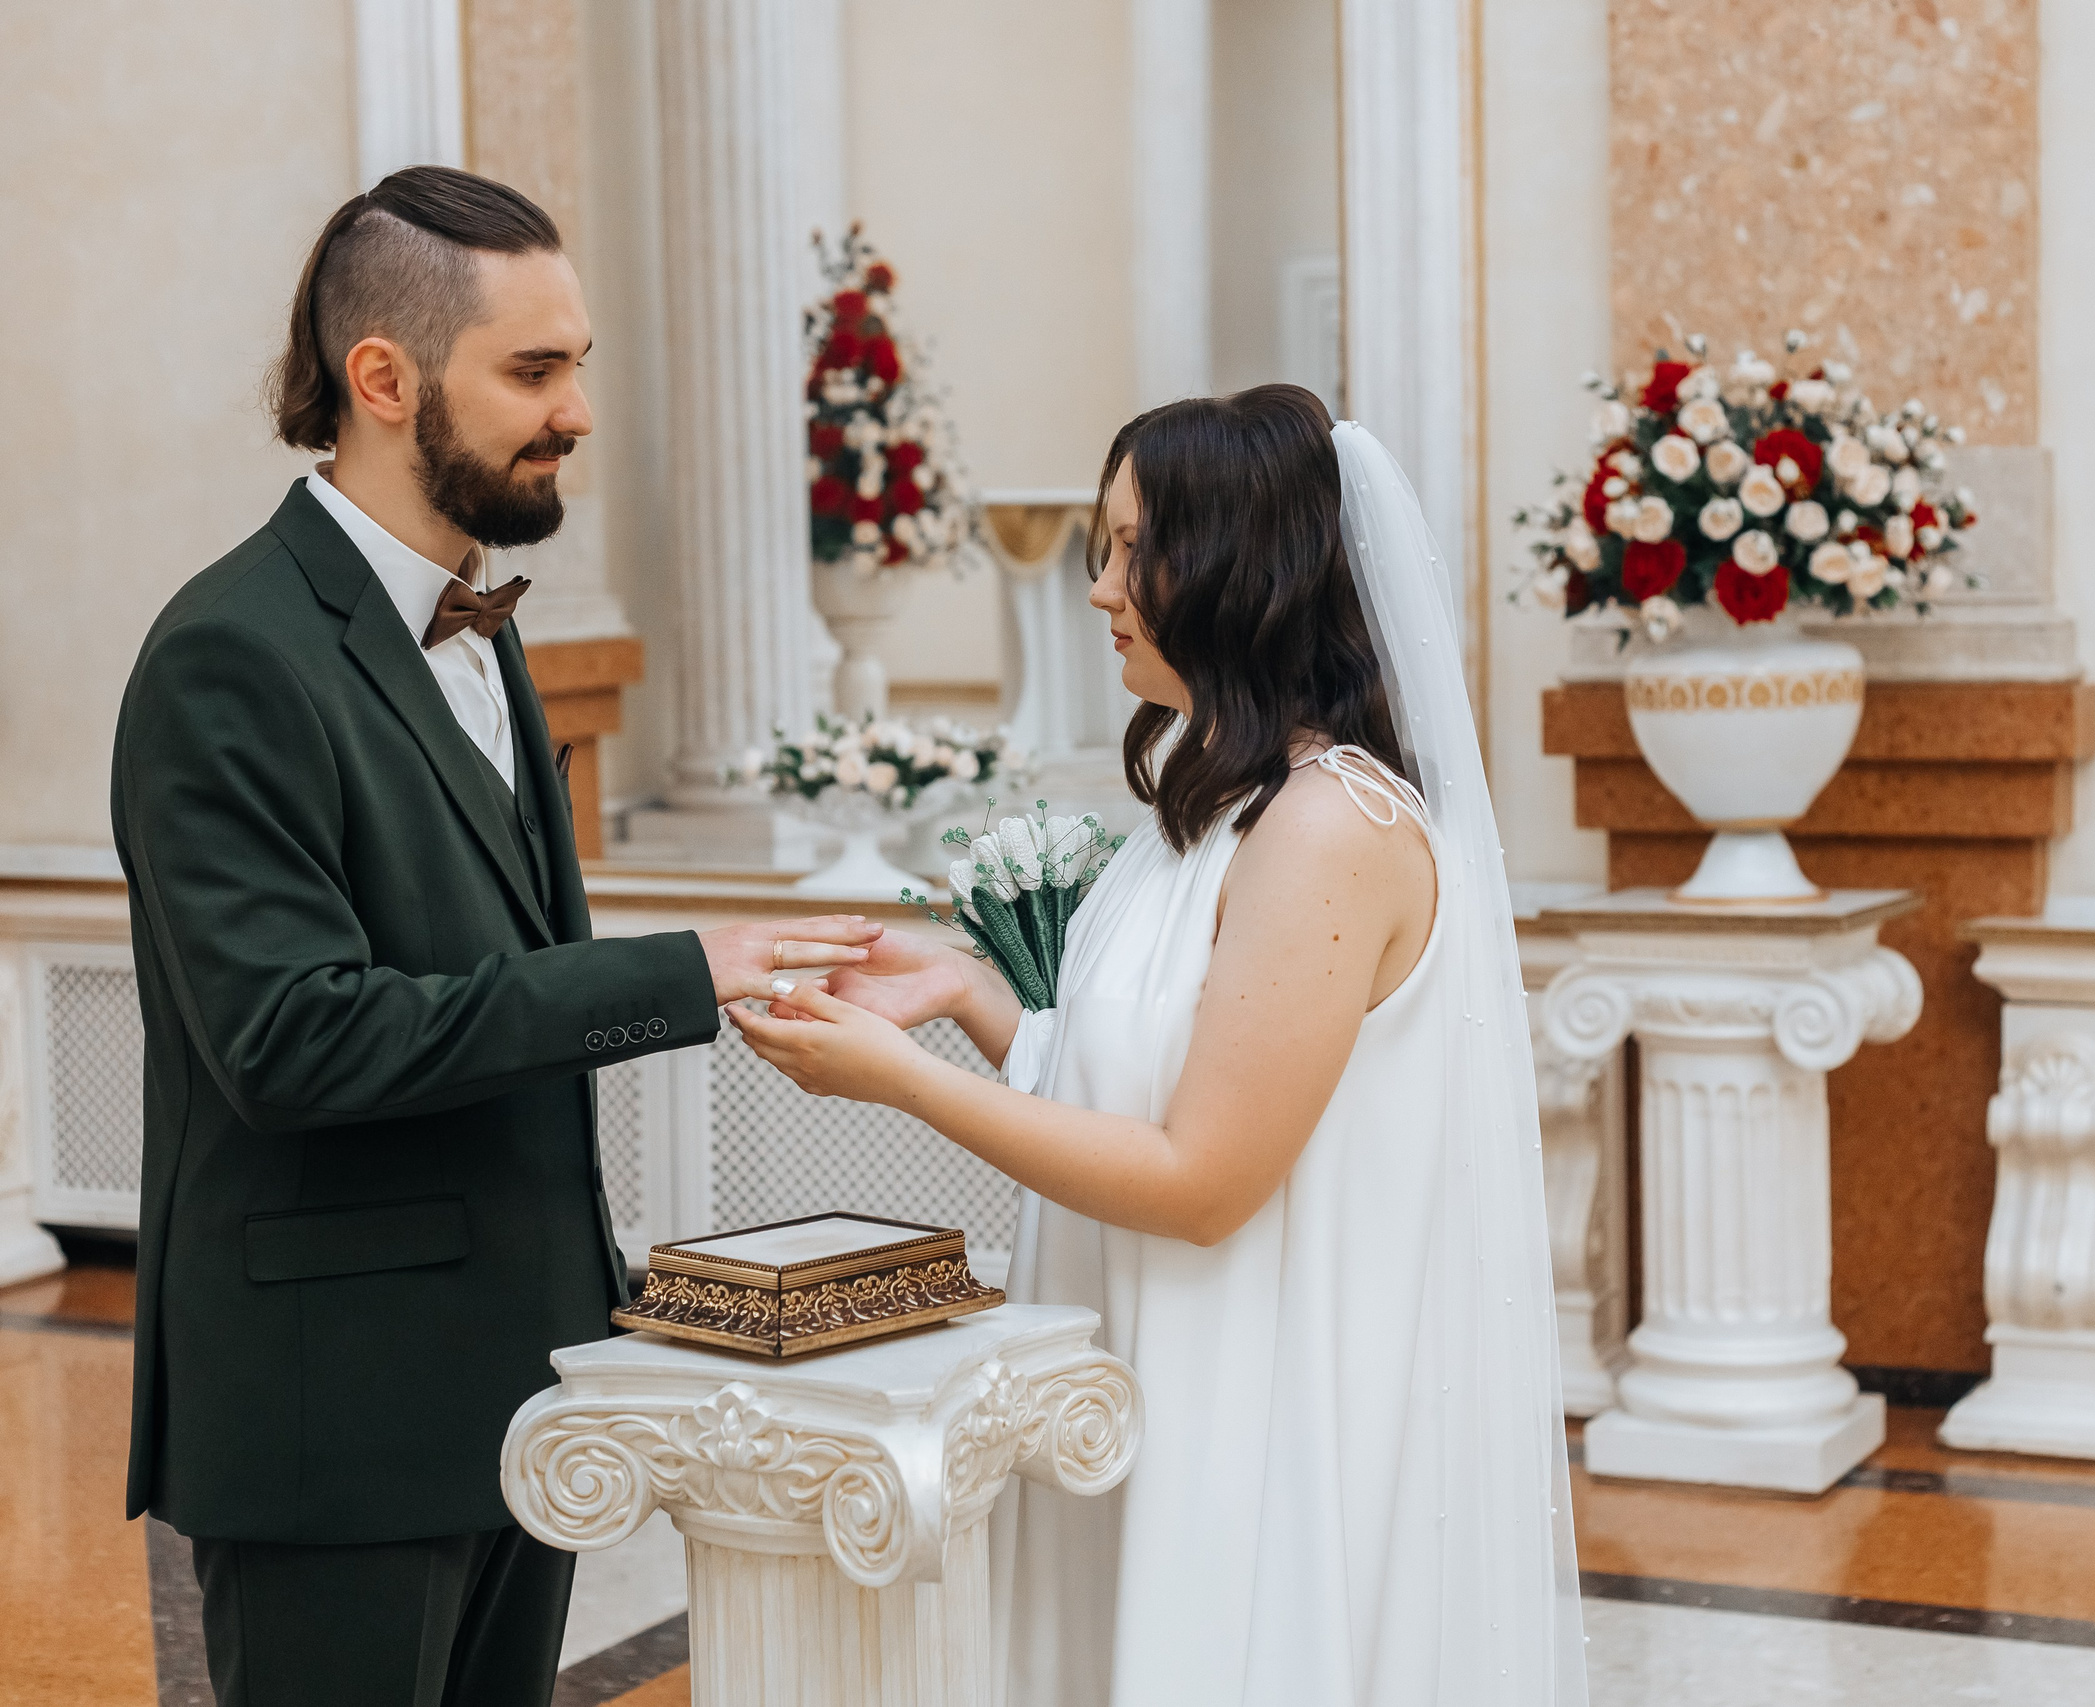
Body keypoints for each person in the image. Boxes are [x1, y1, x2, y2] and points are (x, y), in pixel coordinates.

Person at [110, 166, 876, 1707]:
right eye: (535, 370)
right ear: (382, 380)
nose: (578, 410)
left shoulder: (483, 625)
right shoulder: (228, 654)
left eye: (578, 362)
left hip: (522, 1390)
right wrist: (678, 973)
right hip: (338, 1408)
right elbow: (295, 1036)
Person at [731, 385, 1586, 1705]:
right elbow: (1150, 1082)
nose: (1099, 585)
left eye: (1137, 547)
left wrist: (901, 1085)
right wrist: (966, 995)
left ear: (1250, 567)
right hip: (1140, 1379)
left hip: (1254, 1413)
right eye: (1103, 543)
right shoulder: (1217, 804)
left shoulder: (1330, 829)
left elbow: (1202, 1177)